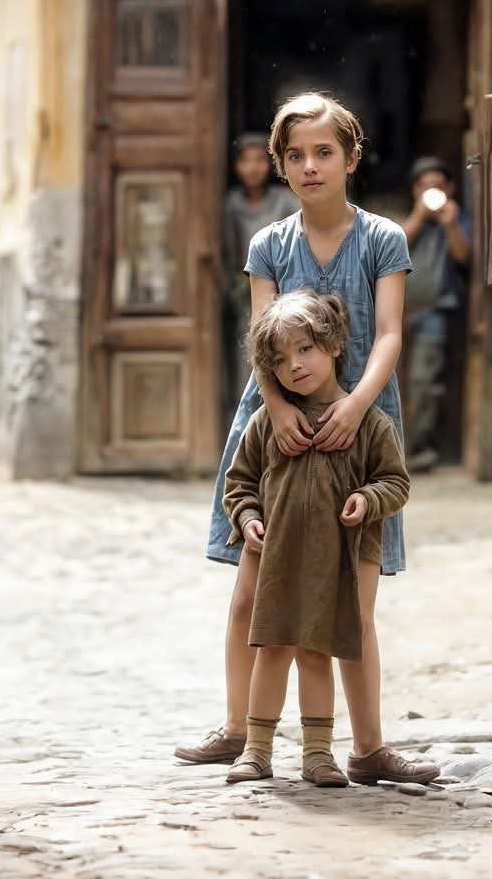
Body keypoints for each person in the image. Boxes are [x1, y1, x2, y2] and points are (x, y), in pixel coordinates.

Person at [175, 90, 440, 787]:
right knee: (249, 595)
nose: (310, 166)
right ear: (280, 165)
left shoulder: (383, 239)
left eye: (324, 152)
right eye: (295, 155)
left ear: (352, 158)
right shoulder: (269, 245)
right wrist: (275, 408)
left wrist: (355, 405)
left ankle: (369, 747)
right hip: (277, 428)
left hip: (359, 423)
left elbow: (389, 334)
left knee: (353, 607)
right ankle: (239, 730)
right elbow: (262, 340)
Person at [220, 290, 411, 785]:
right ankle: (256, 751)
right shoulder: (268, 424)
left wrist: (367, 499)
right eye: (281, 360)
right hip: (278, 559)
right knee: (272, 648)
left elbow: (396, 483)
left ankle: (319, 755)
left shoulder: (370, 424)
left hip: (336, 560)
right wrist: (247, 519)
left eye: (305, 349)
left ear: (334, 345)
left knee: (316, 652)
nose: (295, 366)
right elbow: (239, 484)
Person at [399, 156, 472, 470]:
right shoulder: (403, 222)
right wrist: (419, 215)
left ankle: (418, 450)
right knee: (390, 381)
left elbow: (464, 256)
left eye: (438, 186)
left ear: (450, 189)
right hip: (397, 313)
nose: (431, 192)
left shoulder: (458, 220)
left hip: (435, 312)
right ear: (415, 191)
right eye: (425, 187)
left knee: (424, 380)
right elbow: (393, 248)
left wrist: (450, 224)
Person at [219, 132, 298, 411]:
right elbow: (227, 252)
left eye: (260, 160)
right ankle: (250, 419)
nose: (253, 168)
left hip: (287, 291)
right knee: (250, 355)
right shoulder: (231, 204)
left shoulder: (285, 201)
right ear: (236, 166)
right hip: (246, 291)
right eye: (246, 160)